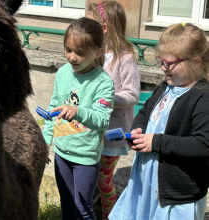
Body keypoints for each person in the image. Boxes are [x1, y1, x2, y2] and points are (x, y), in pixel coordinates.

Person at [109, 23, 209, 220]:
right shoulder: (165, 86)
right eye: (160, 61)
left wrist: (155, 142)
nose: (163, 68)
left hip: (176, 196)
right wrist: (138, 130)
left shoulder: (203, 97)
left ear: (196, 62)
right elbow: (145, 113)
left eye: (169, 63)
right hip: (147, 183)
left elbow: (203, 145)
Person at [42, 17, 115, 220]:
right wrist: (46, 139)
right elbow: (52, 109)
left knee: (82, 208)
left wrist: (78, 111)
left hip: (85, 158)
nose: (72, 57)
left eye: (80, 53)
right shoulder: (63, 72)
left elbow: (102, 120)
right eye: (68, 49)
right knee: (66, 205)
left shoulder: (104, 83)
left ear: (98, 52)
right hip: (62, 152)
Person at [87, 1, 140, 219]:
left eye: (89, 24)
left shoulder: (125, 59)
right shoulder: (94, 53)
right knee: (89, 175)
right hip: (91, 131)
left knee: (102, 180)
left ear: (104, 28)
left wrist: (107, 99)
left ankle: (109, 214)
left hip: (112, 134)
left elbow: (132, 94)